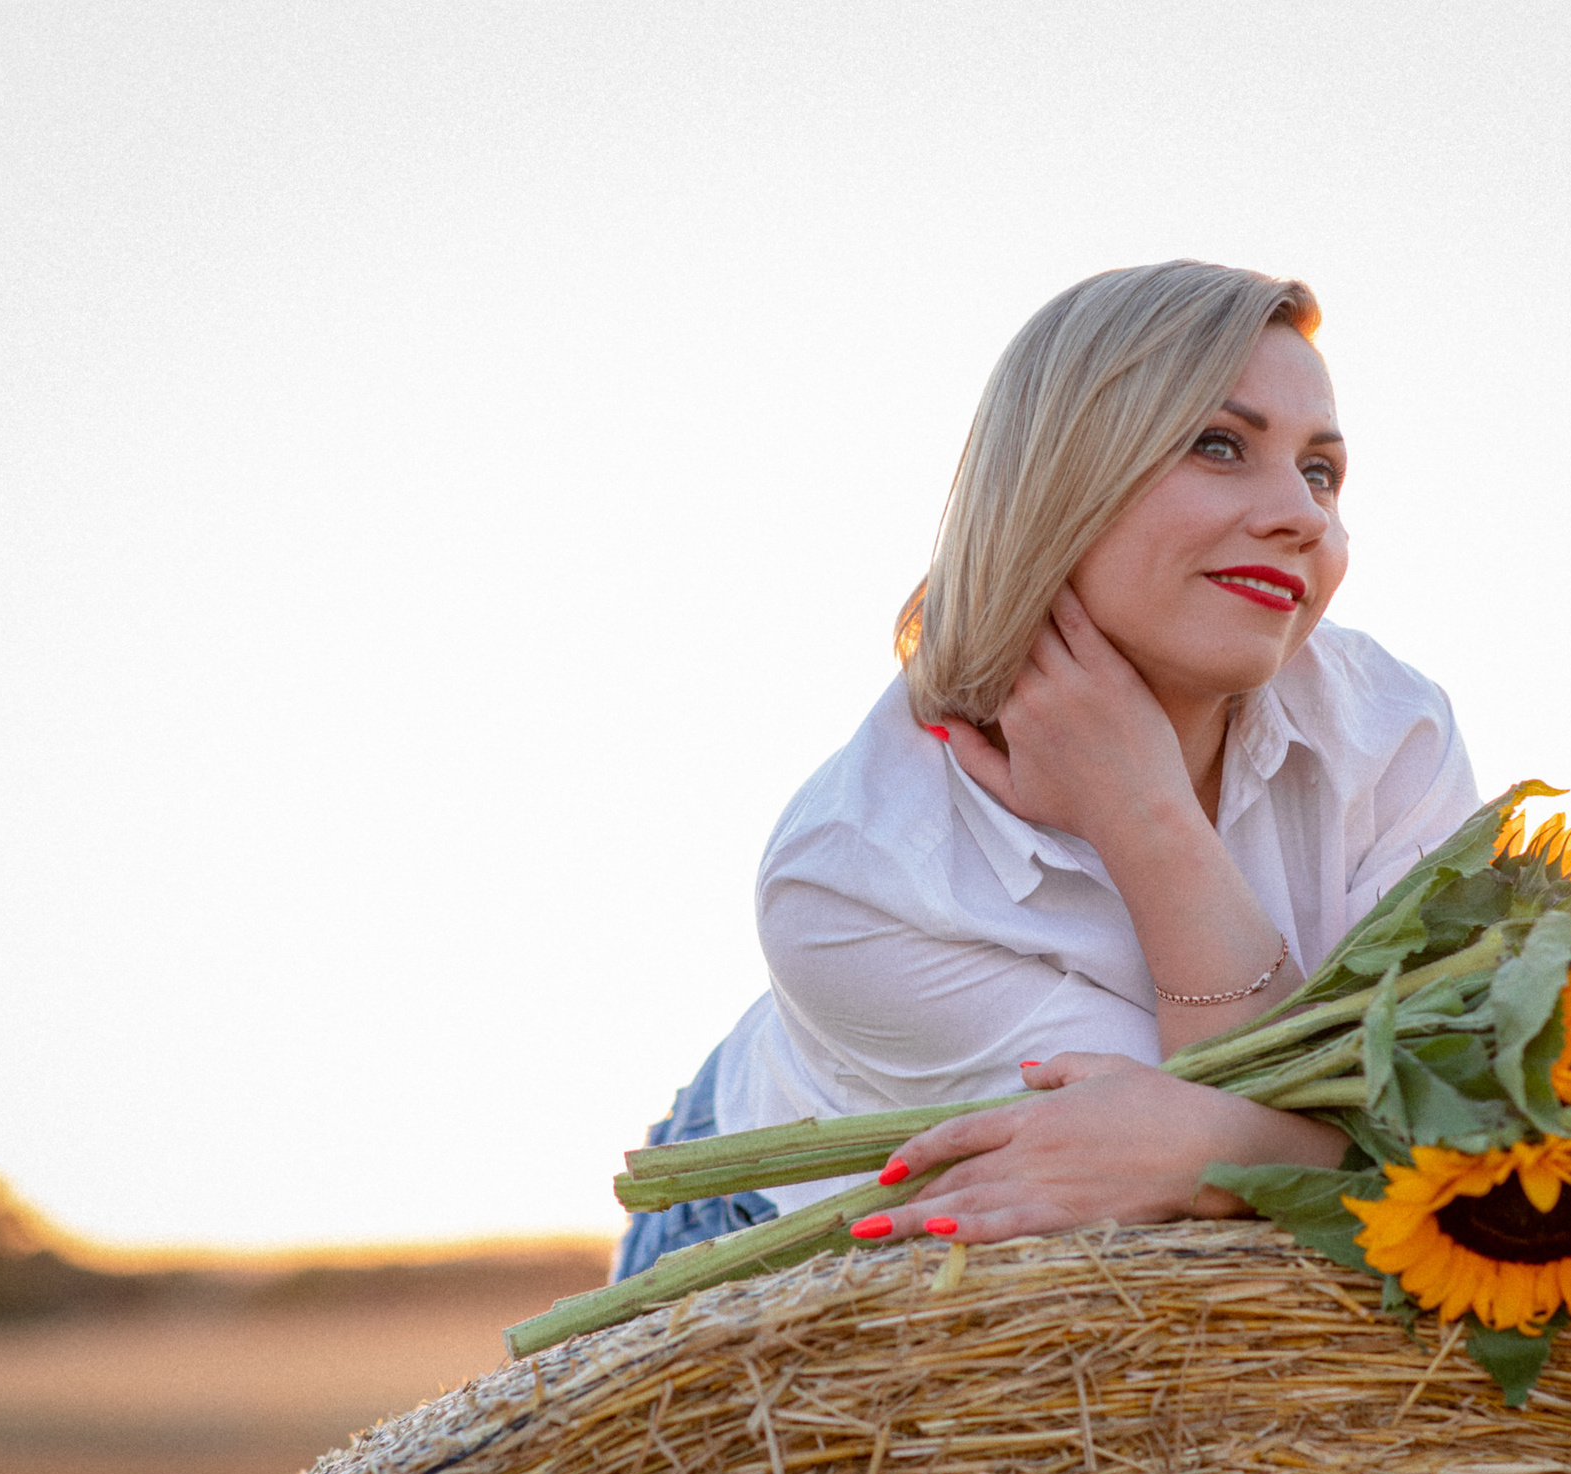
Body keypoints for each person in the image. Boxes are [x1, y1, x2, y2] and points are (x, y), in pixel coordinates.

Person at [613, 260, 1478, 1282]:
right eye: (1218, 445)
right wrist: (1148, 816)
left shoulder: (1389, 730)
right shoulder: (850, 879)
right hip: (779, 1218)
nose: (1301, 515)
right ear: (1060, 479)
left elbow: (1304, 1131)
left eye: (1320, 472)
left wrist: (1139, 802)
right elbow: (1204, 1203)